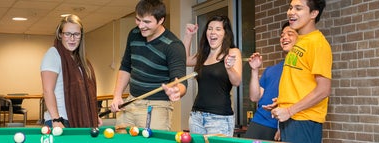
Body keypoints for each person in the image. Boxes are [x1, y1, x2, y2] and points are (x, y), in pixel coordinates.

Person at [109, 0, 187, 131]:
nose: (141, 26)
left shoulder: (173, 46)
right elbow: (126, 66)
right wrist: (117, 95)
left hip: (157, 105)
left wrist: (177, 90)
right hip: (131, 100)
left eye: (147, 22)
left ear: (161, 20)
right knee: (120, 137)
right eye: (138, 20)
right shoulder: (133, 34)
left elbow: (181, 82)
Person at [270, 0, 332, 142]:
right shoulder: (299, 41)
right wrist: (284, 101)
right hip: (290, 119)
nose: (291, 12)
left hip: (304, 120)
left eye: (298, 8)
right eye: (291, 8)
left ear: (314, 13)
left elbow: (324, 89)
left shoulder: (318, 43)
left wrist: (289, 110)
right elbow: (301, 81)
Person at [183, 15, 242, 137]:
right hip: (196, 117)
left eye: (218, 29)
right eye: (210, 28)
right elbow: (184, 60)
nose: (212, 32)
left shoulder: (232, 52)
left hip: (219, 118)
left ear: (225, 34)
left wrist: (229, 68)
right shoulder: (203, 55)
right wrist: (188, 35)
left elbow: (236, 82)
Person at [40, 14, 102, 128]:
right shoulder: (53, 54)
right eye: (67, 34)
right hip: (60, 122)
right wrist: (55, 119)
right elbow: (47, 90)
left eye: (76, 34)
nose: (72, 38)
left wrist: (92, 114)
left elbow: (84, 92)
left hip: (78, 122)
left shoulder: (82, 60)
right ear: (60, 34)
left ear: (81, 36)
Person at [244, 22, 298, 141]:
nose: (284, 37)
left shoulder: (301, 70)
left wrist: (281, 127)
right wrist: (254, 70)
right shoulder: (270, 70)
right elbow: (254, 97)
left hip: (284, 125)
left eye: (290, 34)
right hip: (259, 122)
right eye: (282, 35)